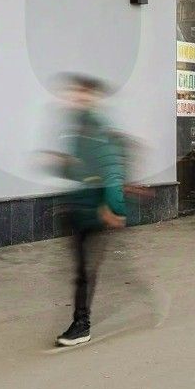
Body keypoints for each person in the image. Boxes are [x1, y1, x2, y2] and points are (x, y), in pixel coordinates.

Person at [52, 75, 127, 347]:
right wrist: (60, 164)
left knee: (85, 271)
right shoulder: (78, 127)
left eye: (83, 93)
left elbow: (112, 168)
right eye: (75, 93)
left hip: (96, 210)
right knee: (83, 270)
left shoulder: (96, 128)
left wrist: (113, 207)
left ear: (93, 97)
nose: (77, 97)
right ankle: (80, 321)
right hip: (79, 207)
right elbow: (80, 170)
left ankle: (81, 325)